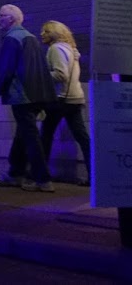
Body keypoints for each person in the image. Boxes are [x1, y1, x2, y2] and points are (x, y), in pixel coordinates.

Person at [0, 4, 56, 192]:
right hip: (37, 94)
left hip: (21, 94)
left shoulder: (12, 39)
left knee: (30, 137)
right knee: (23, 134)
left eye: (1, 15)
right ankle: (15, 172)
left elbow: (5, 70)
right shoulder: (31, 37)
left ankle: (42, 178)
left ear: (11, 19)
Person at [39, 20, 91, 185]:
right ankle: (94, 175)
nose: (42, 34)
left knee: (45, 136)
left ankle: (41, 175)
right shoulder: (71, 49)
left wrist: (40, 75)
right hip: (75, 98)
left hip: (60, 100)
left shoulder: (55, 49)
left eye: (46, 31)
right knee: (83, 138)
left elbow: (61, 75)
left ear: (55, 34)